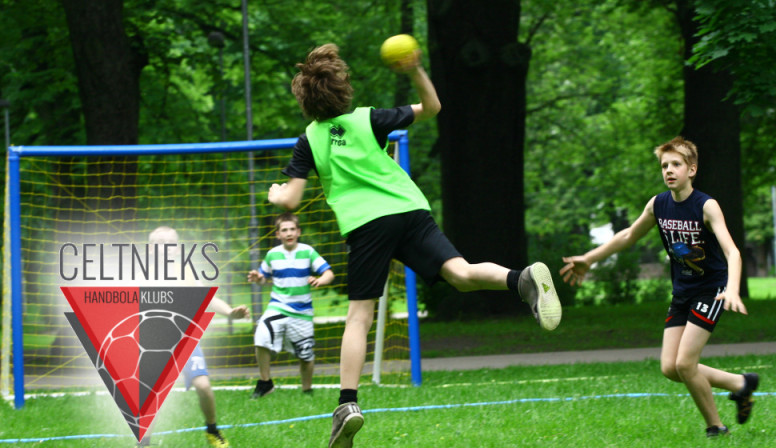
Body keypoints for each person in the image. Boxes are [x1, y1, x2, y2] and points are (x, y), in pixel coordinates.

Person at [267, 42, 562, 448]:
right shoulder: (369, 119)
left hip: (366, 224)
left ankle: (347, 404)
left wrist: (276, 193)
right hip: (409, 209)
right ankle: (521, 278)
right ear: (342, 89)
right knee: (461, 274)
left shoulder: (310, 140)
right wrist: (415, 71)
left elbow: (291, 201)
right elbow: (433, 107)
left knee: (359, 317)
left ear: (306, 101)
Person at [559, 137, 759, 438]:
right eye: (664, 165)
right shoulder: (658, 205)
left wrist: (732, 289)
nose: (669, 170)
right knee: (670, 368)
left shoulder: (706, 205)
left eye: (676, 164)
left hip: (712, 290)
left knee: (685, 364)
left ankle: (716, 428)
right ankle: (740, 384)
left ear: (691, 169)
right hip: (683, 292)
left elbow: (733, 252)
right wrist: (589, 258)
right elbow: (627, 236)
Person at [142, 226, 251, 448]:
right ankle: (143, 443)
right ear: (151, 250)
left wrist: (230, 312)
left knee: (203, 386)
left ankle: (212, 430)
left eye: (172, 243)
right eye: (161, 243)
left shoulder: (186, 272)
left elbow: (208, 298)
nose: (168, 248)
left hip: (185, 340)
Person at [247, 212, 334, 398]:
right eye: (284, 230)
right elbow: (264, 279)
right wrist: (258, 279)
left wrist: (321, 280)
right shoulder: (272, 255)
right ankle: (265, 382)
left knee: (306, 354)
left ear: (298, 232)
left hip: (302, 311)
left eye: (292, 229)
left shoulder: (308, 251)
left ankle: (307, 390)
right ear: (277, 234)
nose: (289, 233)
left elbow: (329, 273)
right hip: (278, 306)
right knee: (261, 335)